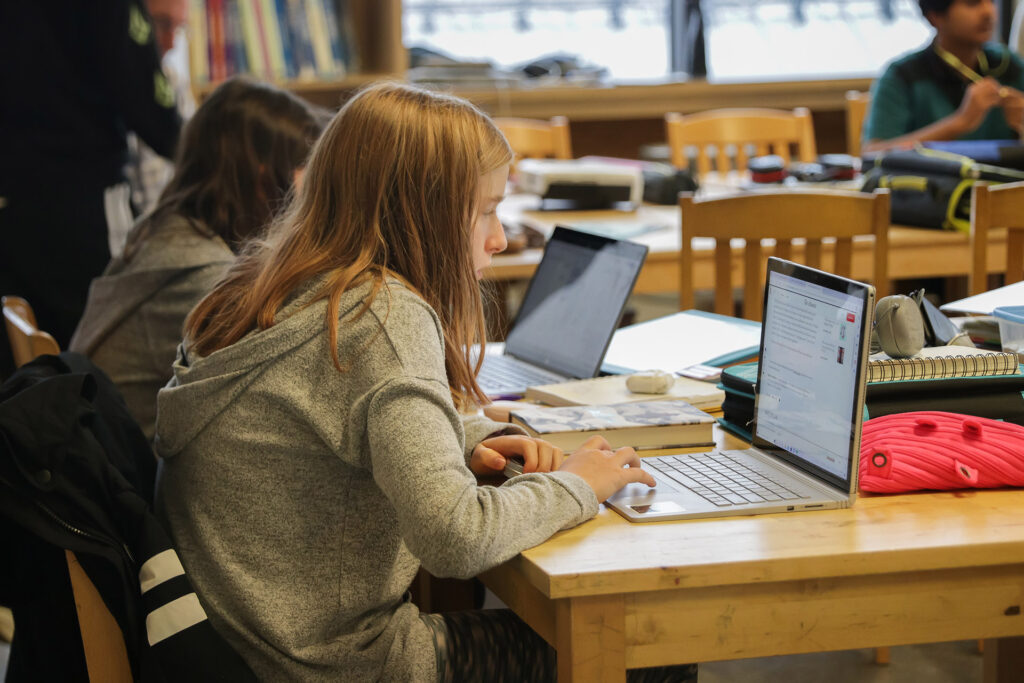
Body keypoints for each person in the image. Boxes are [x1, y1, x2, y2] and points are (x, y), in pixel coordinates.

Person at [154, 82, 692, 682]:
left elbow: (316, 412)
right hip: (331, 665)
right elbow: (455, 540)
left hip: (242, 639)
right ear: (422, 210)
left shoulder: (273, 282)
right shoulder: (383, 316)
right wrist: (578, 487)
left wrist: (458, 435)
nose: (501, 238)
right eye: (485, 210)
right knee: (654, 646)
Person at [69, 77, 322, 442]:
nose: (309, 188)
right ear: (264, 177)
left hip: (111, 458)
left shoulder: (165, 232)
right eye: (303, 168)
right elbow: (286, 390)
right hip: (132, 481)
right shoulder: (205, 275)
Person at [0, 1, 182, 378]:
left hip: (13, 202)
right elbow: (153, 110)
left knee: (30, 375)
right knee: (104, 362)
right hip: (84, 204)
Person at [863, 0, 1024, 153]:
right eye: (972, 3)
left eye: (991, 2)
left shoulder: (1010, 65)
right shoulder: (902, 76)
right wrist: (961, 122)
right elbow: (873, 153)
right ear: (935, 16)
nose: (989, 12)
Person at [123, 0, 196, 223]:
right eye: (163, 24)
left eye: (179, 28)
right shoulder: (95, 90)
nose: (172, 42)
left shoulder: (174, 83)